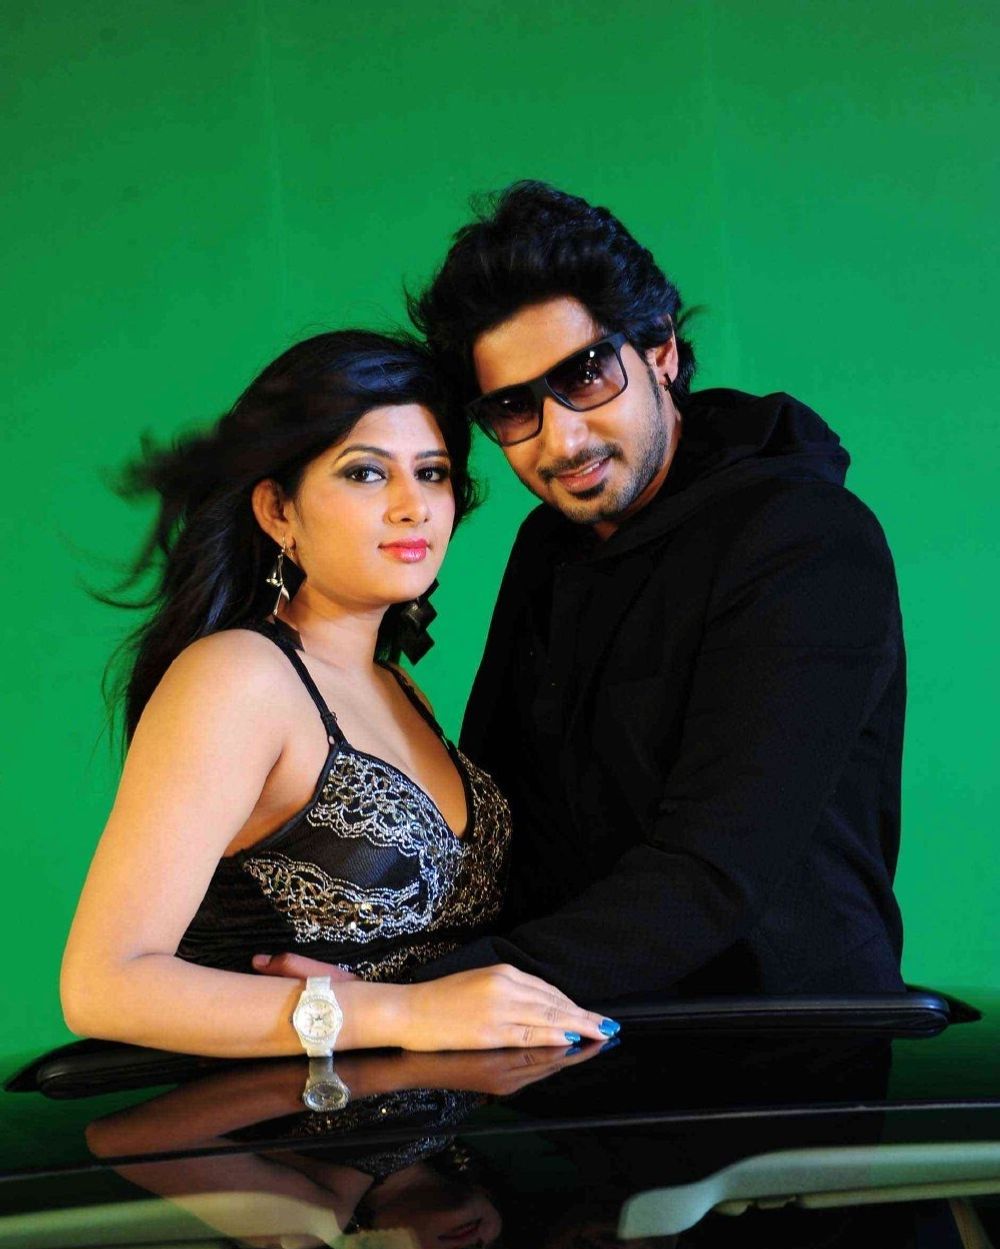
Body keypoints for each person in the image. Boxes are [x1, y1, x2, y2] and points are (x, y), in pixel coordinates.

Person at [405, 181, 906, 1000]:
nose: (562, 439)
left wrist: (420, 994)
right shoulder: (549, 544)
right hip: (568, 1033)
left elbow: (712, 876)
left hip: (780, 1044)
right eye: (515, 408)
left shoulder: (806, 538)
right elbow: (499, 825)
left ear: (661, 349)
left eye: (586, 374)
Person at [60, 329, 614, 1056]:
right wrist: (395, 1014)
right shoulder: (239, 678)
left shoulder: (397, 688)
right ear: (278, 511)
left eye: (433, 472)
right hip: (282, 1122)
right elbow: (102, 985)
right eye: (366, 473)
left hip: (432, 1114)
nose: (413, 506)